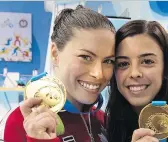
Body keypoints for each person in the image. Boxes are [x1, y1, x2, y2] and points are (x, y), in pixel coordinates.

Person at [4, 5, 115, 142]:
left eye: (108, 61)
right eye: (86, 57)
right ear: (55, 54)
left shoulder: (103, 120)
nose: (99, 74)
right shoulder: (24, 121)